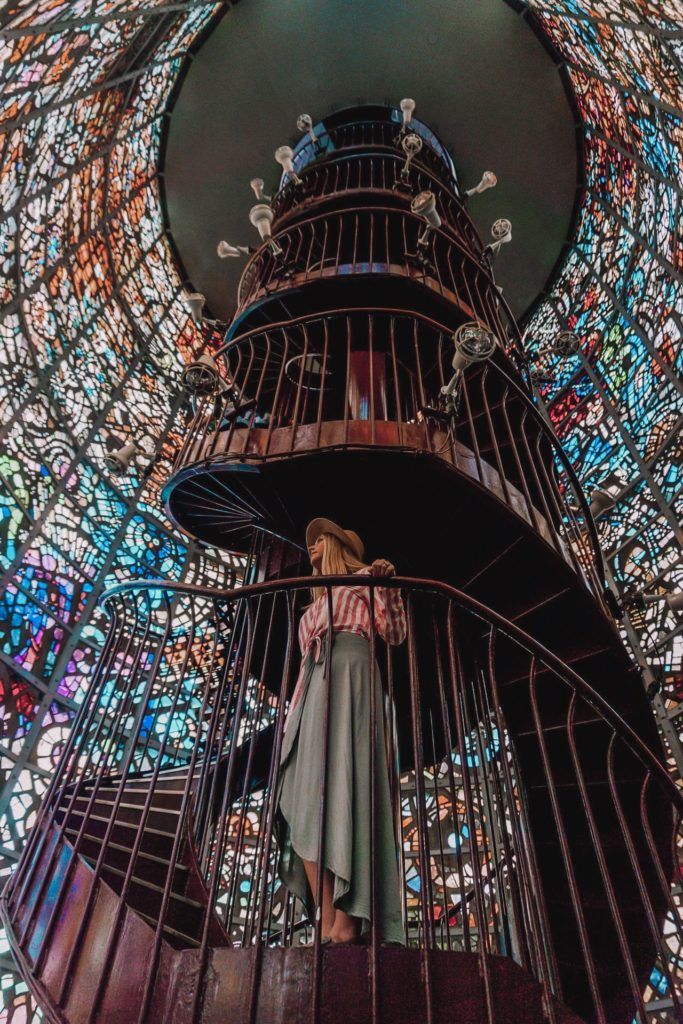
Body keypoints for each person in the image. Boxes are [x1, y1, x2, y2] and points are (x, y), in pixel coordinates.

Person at [274, 517, 406, 947]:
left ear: (336, 546)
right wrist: (292, 718)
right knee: (300, 802)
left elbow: (395, 634)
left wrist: (387, 584)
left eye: (318, 542)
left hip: (350, 673)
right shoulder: (311, 608)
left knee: (347, 787)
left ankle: (346, 922)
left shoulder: (366, 579)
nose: (310, 547)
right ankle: (327, 917)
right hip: (311, 690)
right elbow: (301, 668)